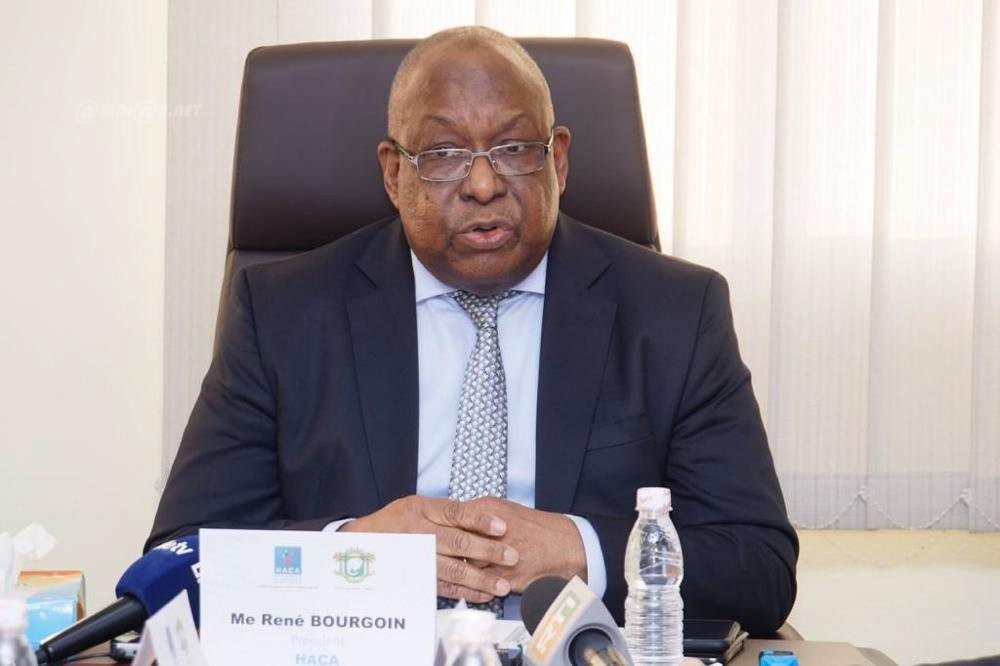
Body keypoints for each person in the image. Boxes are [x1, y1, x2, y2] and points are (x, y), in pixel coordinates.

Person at [148, 26, 797, 634]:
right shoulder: (284, 314)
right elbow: (178, 559)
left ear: (558, 161)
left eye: (513, 149)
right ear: (393, 174)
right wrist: (352, 552)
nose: (483, 184)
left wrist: (585, 549)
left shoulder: (674, 313)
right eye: (443, 154)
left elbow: (760, 566)